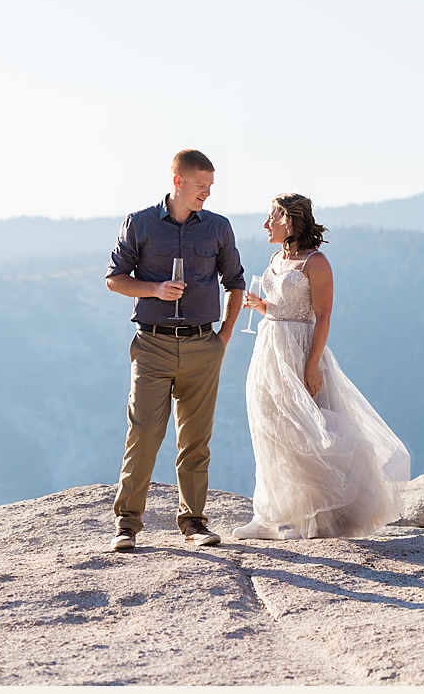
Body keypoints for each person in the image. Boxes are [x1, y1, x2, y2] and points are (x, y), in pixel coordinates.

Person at [232, 194, 410, 539]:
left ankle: (310, 519)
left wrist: (312, 364)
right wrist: (258, 305)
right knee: (268, 426)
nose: (265, 224)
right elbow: (280, 308)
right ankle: (266, 517)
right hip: (269, 349)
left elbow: (323, 315)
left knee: (306, 431)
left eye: (271, 217)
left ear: (288, 220)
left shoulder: (316, 261)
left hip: (300, 350)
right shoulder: (275, 258)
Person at [102, 149, 245, 551]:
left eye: (211, 187)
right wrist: (155, 290)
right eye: (201, 186)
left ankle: (194, 523)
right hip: (152, 345)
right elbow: (114, 279)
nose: (208, 194)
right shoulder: (140, 223)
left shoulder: (218, 227)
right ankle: (127, 524)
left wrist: (225, 337)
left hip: (204, 346)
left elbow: (235, 283)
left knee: (196, 440)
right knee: (144, 433)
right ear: (177, 181)